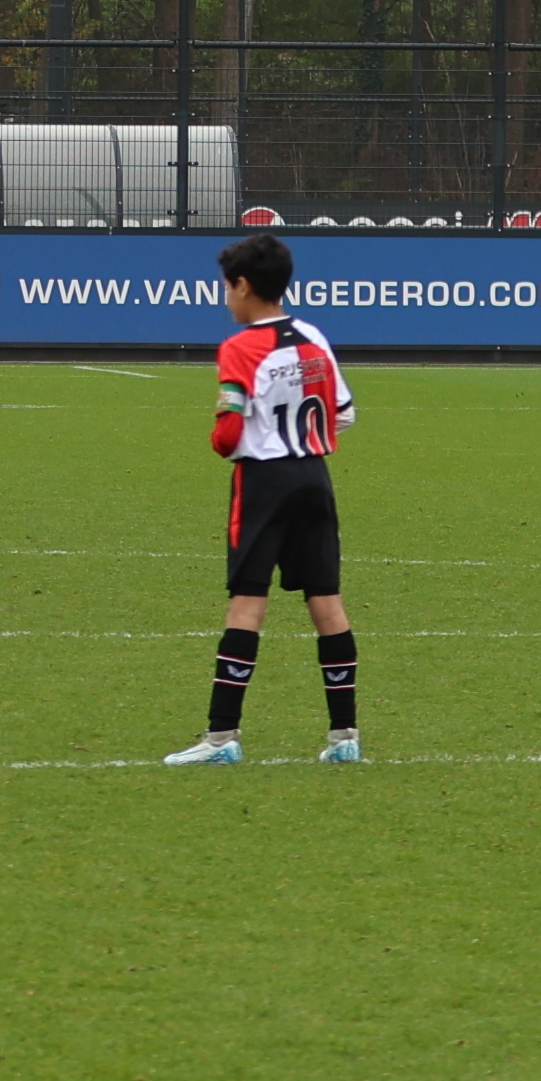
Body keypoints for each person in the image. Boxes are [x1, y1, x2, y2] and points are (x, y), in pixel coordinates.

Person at [173, 233, 363, 768]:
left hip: (263, 483)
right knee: (326, 602)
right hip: (314, 477)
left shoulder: (239, 348)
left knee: (247, 603)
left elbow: (228, 435)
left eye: (227, 287)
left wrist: (231, 437)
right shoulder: (312, 335)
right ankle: (344, 737)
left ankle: (221, 738)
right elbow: (344, 411)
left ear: (245, 285)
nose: (225, 297)